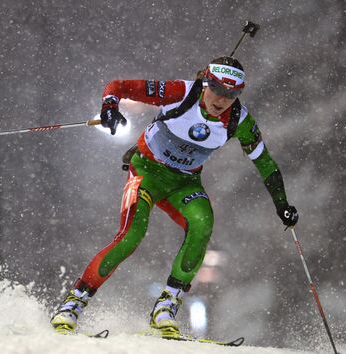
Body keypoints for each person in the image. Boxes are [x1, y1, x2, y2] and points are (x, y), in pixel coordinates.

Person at [50, 56, 299, 337]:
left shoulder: (239, 121)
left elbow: (265, 163)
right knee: (131, 235)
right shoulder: (181, 93)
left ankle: (165, 308)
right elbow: (118, 86)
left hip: (184, 182)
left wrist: (282, 205)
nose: (221, 100)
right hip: (147, 171)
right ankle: (72, 305)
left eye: (231, 94)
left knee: (203, 223)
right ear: (206, 83)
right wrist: (109, 106)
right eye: (217, 89)